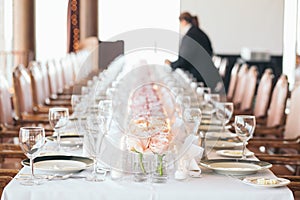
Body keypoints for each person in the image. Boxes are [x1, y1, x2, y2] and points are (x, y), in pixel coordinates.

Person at [165, 12, 213, 83]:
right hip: (204, 73)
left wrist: (171, 64)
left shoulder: (191, 35)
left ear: (183, 21)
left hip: (198, 77)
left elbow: (185, 60)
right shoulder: (196, 32)